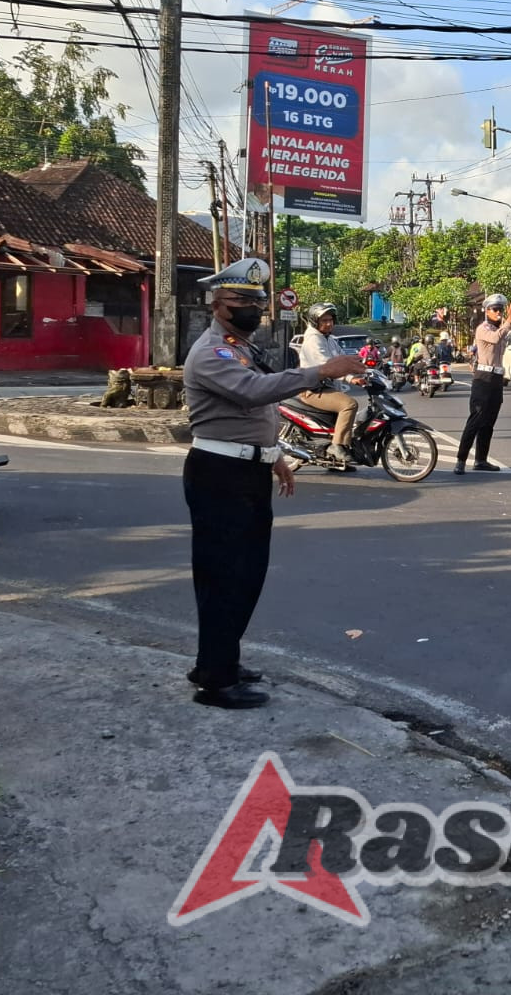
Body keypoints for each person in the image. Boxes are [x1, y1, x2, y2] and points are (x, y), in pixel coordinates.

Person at [181, 258, 369, 710]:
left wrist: (274, 455)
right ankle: (216, 681)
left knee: (244, 577)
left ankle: (218, 659)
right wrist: (320, 373)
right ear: (217, 304)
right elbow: (252, 392)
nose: (252, 307)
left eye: (256, 300)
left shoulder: (241, 347)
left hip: (245, 471)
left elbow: (254, 411)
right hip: (219, 474)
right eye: (241, 300)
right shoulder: (213, 352)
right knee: (226, 578)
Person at [456, 292, 511, 474]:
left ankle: (481, 460)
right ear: (487, 311)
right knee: (475, 419)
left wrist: (508, 322)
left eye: (501, 309)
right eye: (495, 309)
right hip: (483, 378)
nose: (499, 313)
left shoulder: (501, 328)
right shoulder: (483, 328)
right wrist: (509, 321)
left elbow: (502, 337)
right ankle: (460, 459)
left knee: (489, 422)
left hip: (497, 379)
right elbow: (495, 338)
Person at [294, 302, 359, 469]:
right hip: (313, 390)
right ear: (315, 321)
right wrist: (350, 378)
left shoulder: (329, 339)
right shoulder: (313, 341)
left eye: (331, 320)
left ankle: (336, 461)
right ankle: (337, 446)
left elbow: (343, 359)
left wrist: (364, 368)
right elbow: (327, 366)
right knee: (349, 405)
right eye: (324, 320)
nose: (329, 323)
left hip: (326, 387)